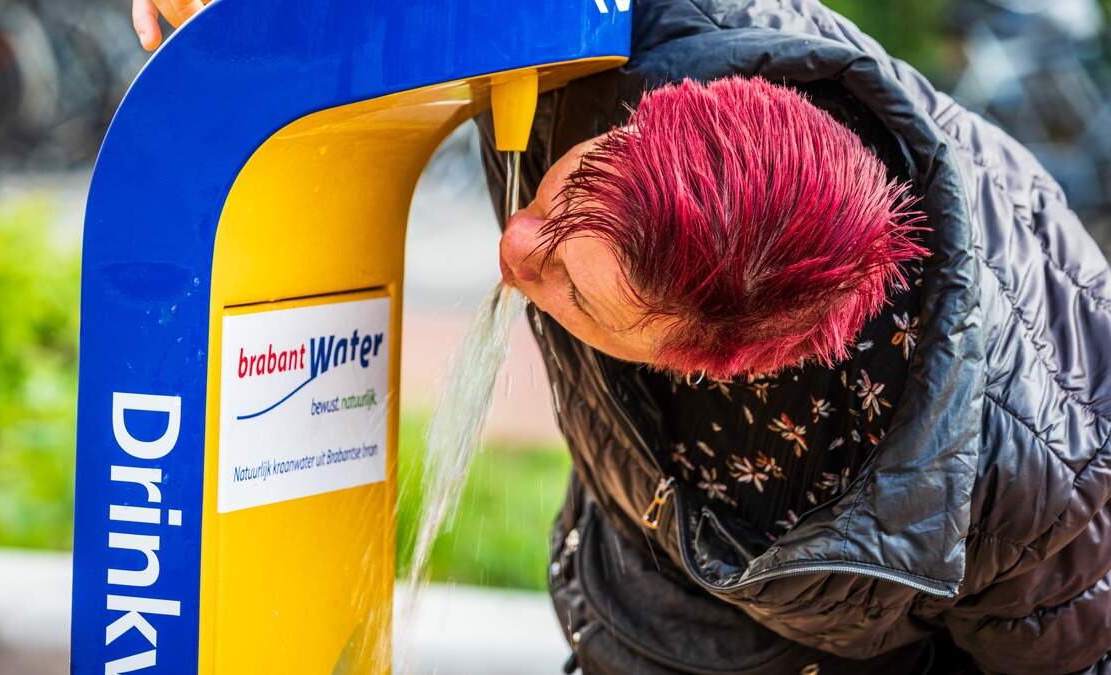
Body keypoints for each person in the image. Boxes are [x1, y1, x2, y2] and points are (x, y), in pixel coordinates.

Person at [137, 1, 1111, 673]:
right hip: (644, 598)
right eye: (568, 192)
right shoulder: (654, 35)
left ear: (711, 362)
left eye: (575, 290)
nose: (517, 250)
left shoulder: (1042, 488)